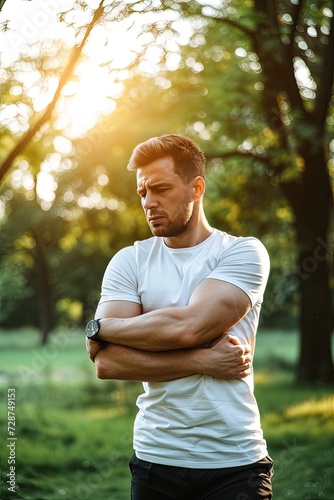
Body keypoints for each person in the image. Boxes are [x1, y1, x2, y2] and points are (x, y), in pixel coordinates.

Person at [85, 134, 273, 499]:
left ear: (196, 187)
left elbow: (190, 326)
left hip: (234, 462)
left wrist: (101, 328)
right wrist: (204, 360)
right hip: (156, 460)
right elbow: (107, 363)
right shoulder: (130, 261)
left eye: (160, 189)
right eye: (142, 192)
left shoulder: (243, 252)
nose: (148, 202)